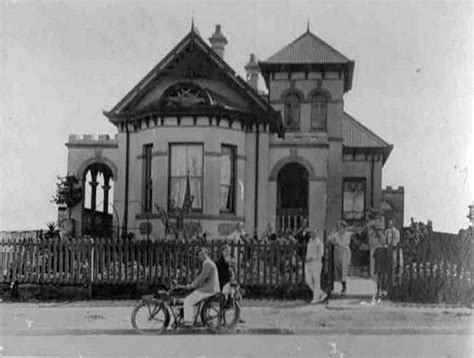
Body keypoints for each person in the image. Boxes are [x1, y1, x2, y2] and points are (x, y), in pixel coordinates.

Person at [182, 248, 220, 325]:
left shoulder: (207, 263)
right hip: (211, 287)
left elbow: (202, 277)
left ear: (206, 253)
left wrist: (192, 285)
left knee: (187, 301)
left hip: (208, 289)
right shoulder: (209, 262)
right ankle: (196, 319)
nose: (201, 256)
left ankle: (188, 322)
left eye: (203, 254)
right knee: (195, 301)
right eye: (199, 255)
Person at [329, 220, 352, 295]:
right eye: (339, 227)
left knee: (344, 268)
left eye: (341, 227)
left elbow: (346, 243)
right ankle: (340, 285)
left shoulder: (347, 234)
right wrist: (333, 235)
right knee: (338, 268)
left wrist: (337, 242)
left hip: (344, 251)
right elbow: (330, 239)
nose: (340, 229)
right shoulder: (336, 234)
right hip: (337, 251)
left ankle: (344, 286)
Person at [305, 229, 327, 303]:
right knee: (308, 280)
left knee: (316, 281)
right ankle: (322, 294)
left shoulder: (319, 243)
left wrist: (312, 258)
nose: (312, 234)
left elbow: (321, 254)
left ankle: (316, 298)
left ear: (317, 234)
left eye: (314, 233)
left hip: (316, 264)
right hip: (308, 263)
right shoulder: (309, 242)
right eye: (311, 233)